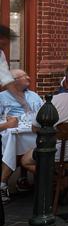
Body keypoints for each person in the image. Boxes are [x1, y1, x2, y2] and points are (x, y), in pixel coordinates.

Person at [0, 69, 42, 202]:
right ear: (14, 81)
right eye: (25, 76)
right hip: (9, 133)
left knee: (27, 145)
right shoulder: (2, 97)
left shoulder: (34, 96)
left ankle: (21, 179)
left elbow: (40, 114)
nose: (29, 78)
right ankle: (3, 184)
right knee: (15, 146)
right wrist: (7, 123)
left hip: (30, 131)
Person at [0, 25, 33, 113]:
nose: (4, 47)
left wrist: (23, 103)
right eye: (3, 44)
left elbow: (7, 80)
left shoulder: (0, 54)